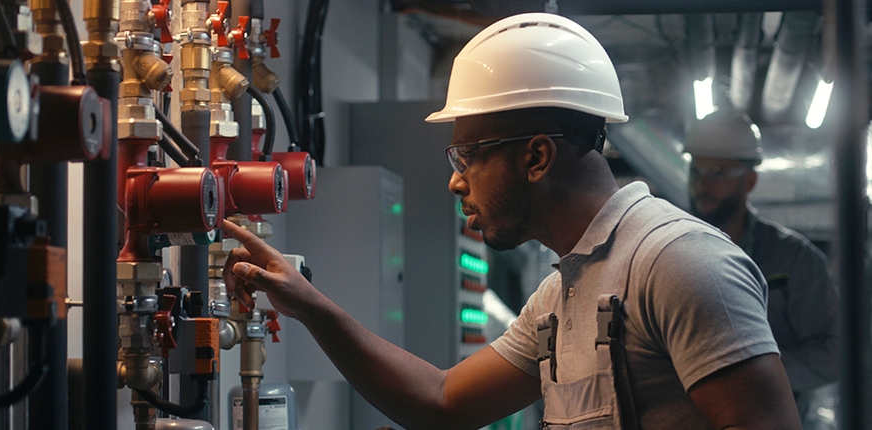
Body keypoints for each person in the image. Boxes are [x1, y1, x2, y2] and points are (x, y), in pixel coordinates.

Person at [221, 13, 801, 429]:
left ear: (536, 157)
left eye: (467, 157)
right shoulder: (562, 293)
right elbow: (442, 401)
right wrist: (309, 306)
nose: (455, 181)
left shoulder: (678, 263)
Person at [685, 109, 839, 424]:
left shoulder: (794, 260)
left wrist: (754, 377)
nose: (702, 184)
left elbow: (835, 351)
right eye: (696, 170)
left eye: (717, 171)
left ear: (750, 180)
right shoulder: (671, 253)